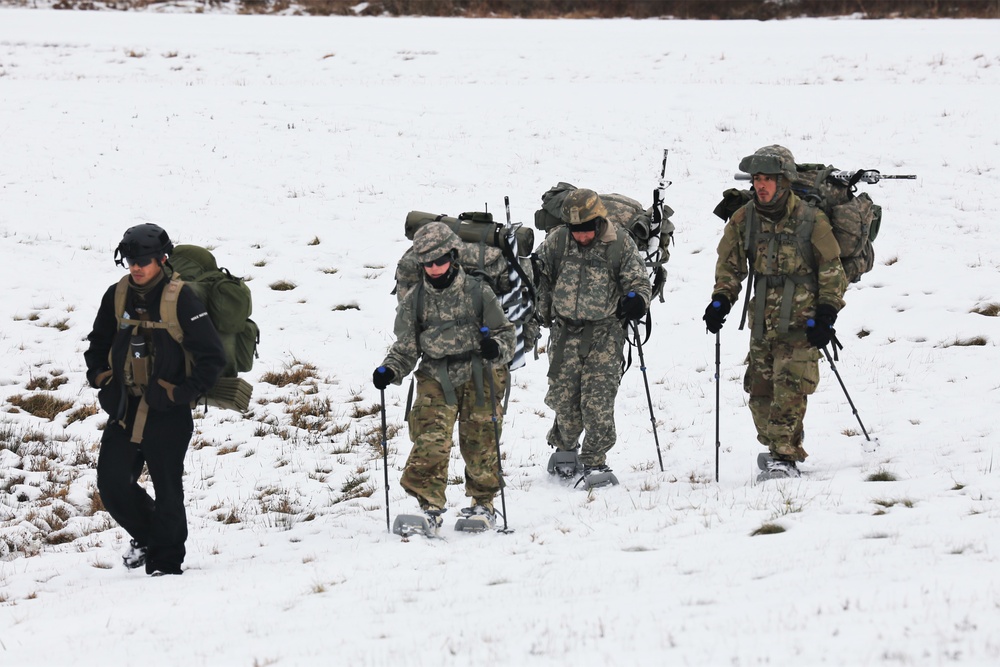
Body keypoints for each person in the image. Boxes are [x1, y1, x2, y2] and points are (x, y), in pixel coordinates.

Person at [84, 223, 225, 575]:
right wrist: (103, 380)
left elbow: (212, 356)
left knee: (167, 488)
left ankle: (166, 562)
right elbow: (98, 344)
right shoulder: (116, 295)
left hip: (168, 412)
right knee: (112, 484)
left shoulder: (182, 298)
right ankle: (149, 538)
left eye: (143, 260)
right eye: (131, 260)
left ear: (161, 260)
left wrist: (180, 393)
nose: (136, 267)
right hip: (124, 408)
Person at [703, 145, 848, 481]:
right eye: (756, 179)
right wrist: (721, 299)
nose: (761, 186)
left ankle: (785, 454)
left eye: (768, 179)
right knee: (759, 391)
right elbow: (730, 264)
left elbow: (831, 268)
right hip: (762, 320)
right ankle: (774, 446)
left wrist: (827, 313)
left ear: (784, 182)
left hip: (803, 319)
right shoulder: (744, 219)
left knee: (790, 387)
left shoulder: (812, 219)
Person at [373, 222, 516, 532]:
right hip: (435, 375)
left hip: (480, 374)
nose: (435, 268)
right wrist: (390, 369)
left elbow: (506, 333)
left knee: (481, 442)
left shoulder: (479, 292)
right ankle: (429, 508)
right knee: (430, 439)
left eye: (440, 261)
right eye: (428, 263)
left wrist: (496, 347)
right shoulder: (415, 300)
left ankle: (483, 503)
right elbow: (406, 347)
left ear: (453, 257)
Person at [534, 188, 651, 484]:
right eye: (576, 230)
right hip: (563, 333)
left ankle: (595, 459)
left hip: (603, 334)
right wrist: (540, 306)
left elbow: (638, 280)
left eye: (586, 230)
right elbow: (539, 274)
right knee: (563, 399)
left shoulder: (619, 243)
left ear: (598, 222)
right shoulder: (558, 240)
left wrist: (636, 299)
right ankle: (565, 445)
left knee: (597, 403)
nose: (581, 236)